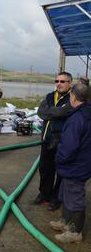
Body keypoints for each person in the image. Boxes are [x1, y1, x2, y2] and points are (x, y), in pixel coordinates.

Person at [50, 83, 91, 243]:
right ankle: (65, 222)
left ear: (73, 96)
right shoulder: (86, 112)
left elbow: (69, 147)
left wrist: (58, 158)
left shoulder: (77, 118)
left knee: (75, 198)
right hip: (82, 163)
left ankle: (76, 232)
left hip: (75, 166)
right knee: (65, 193)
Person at [34, 72, 73, 211]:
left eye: (63, 81)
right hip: (46, 140)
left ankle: (56, 198)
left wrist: (52, 112)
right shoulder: (50, 96)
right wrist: (56, 112)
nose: (59, 83)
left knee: (61, 172)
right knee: (45, 169)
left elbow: (65, 112)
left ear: (70, 83)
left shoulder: (72, 98)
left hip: (62, 142)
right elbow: (40, 112)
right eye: (57, 80)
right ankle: (44, 194)